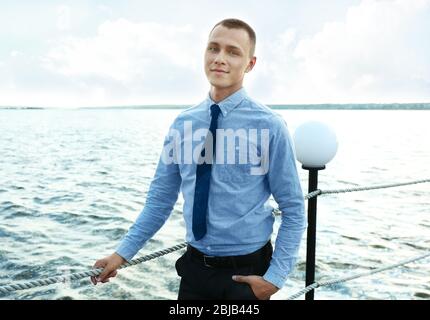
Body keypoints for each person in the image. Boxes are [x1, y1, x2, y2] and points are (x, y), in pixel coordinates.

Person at [91, 18, 306, 300]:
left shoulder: (269, 126)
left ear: (250, 64)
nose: (220, 59)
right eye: (213, 48)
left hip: (247, 274)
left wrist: (275, 278)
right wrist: (121, 254)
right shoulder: (182, 125)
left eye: (233, 52)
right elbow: (159, 201)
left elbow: (293, 208)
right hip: (194, 271)